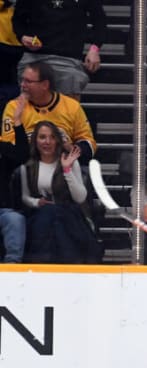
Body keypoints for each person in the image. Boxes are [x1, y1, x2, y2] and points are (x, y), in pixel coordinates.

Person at [20, 120, 100, 263]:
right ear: (35, 141)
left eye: (52, 137)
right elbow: (25, 197)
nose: (47, 142)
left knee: (57, 217)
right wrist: (36, 202)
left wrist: (67, 170)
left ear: (58, 140)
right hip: (39, 215)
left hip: (68, 213)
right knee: (47, 216)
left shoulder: (70, 161)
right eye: (42, 137)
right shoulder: (28, 166)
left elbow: (80, 197)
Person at [1, 61, 96, 164]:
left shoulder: (72, 107)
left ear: (45, 85)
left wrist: (71, 148)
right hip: (26, 165)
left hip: (63, 165)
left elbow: (88, 141)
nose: (22, 85)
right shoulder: (14, 107)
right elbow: (9, 147)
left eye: (28, 81)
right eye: (22, 80)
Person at [12, 0, 106, 99]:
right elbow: (18, 19)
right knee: (27, 108)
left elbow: (99, 20)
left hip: (68, 59)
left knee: (68, 109)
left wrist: (94, 49)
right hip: (34, 56)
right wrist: (22, 36)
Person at [0, 92, 30, 263]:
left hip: (2, 211)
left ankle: (12, 267)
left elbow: (22, 155)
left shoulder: (2, 149)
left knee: (15, 219)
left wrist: (17, 122)